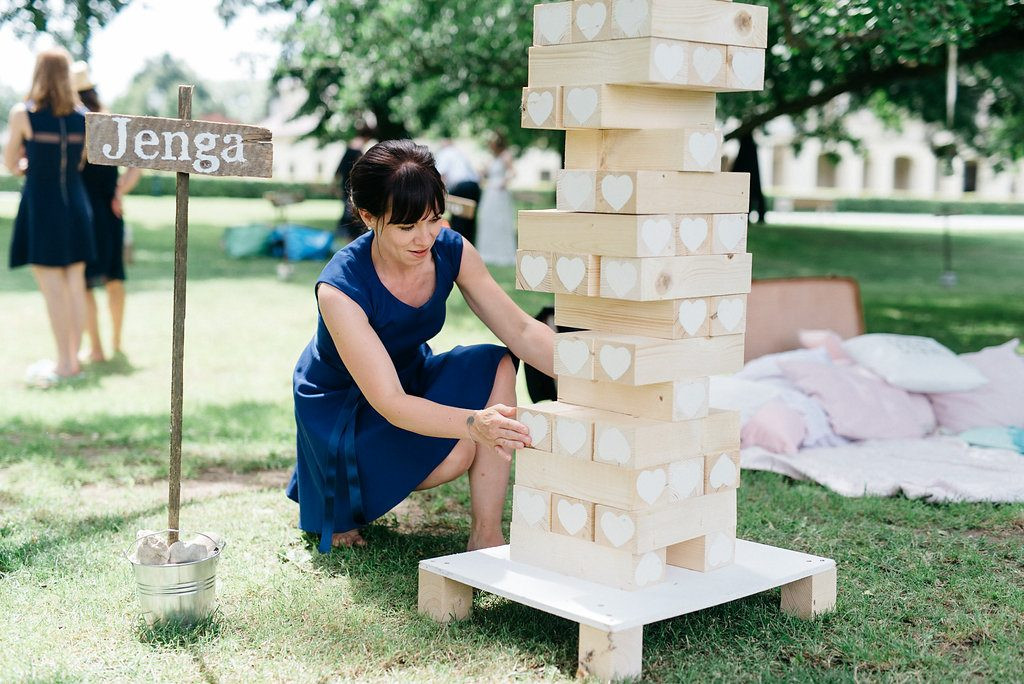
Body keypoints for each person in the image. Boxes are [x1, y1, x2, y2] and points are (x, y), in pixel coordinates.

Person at [287, 139, 555, 552]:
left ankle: (485, 535)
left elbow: (520, 330)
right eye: (407, 226)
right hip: (346, 406)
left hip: (410, 374)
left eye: (433, 219)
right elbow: (389, 400)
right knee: (455, 456)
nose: (424, 237)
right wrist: (472, 424)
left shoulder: (451, 249)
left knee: (497, 362)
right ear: (367, 216)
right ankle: (343, 486)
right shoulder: (340, 288)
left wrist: (595, 376)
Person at [5, 49, 94, 385]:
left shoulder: (22, 114)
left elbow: (11, 162)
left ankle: (63, 363)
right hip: (76, 203)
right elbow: (81, 162)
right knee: (74, 283)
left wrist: (26, 164)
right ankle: (73, 360)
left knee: (53, 288)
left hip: (41, 205)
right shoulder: (84, 115)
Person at [72, 61, 141, 362]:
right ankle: (116, 342)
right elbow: (135, 167)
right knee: (115, 278)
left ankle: (97, 348)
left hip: (80, 210)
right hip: (109, 210)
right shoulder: (109, 121)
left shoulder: (72, 121)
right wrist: (117, 191)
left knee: (85, 282)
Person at [474, 133, 517, 266]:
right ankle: (488, 251)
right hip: (490, 191)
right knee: (488, 219)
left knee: (500, 221)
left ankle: (502, 253)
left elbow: (513, 172)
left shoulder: (506, 155)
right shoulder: (491, 158)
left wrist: (504, 182)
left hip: (500, 191)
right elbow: (484, 173)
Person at [433, 138, 480, 244]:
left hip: (461, 187)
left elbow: (441, 175)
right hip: (474, 186)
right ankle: (469, 244)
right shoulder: (459, 153)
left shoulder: (444, 153)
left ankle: (458, 245)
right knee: (470, 219)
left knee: (459, 220)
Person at [334, 121, 375, 241]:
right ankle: (351, 238)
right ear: (367, 136)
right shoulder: (358, 150)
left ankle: (347, 236)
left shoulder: (350, 146)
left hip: (345, 185)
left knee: (348, 212)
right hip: (353, 187)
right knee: (352, 214)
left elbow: (339, 168)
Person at [731, 132, 767, 224]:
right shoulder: (751, 146)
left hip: (746, 177)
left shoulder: (746, 147)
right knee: (753, 195)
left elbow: (739, 164)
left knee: (748, 196)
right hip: (752, 177)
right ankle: (759, 216)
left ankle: (752, 217)